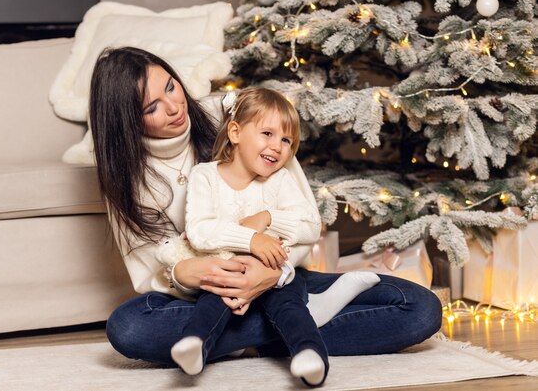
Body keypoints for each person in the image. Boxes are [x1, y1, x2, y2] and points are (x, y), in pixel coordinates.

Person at [90, 46, 442, 377]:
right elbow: (147, 273)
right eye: (151, 107)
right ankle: (298, 328)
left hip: (280, 273)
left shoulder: (233, 115)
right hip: (204, 293)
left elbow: (305, 220)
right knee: (129, 327)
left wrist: (272, 272)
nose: (173, 106)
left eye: (171, 86)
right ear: (128, 122)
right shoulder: (126, 176)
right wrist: (189, 273)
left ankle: (233, 339)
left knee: (419, 308)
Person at [159, 87, 379, 386]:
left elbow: (311, 226)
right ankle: (195, 344)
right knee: (215, 298)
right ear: (235, 132)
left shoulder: (280, 179)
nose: (277, 147)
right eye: (267, 133)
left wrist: (269, 218)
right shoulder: (205, 175)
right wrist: (250, 240)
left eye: (286, 140)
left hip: (275, 273)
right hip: (228, 272)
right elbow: (199, 231)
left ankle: (309, 355)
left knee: (287, 305)